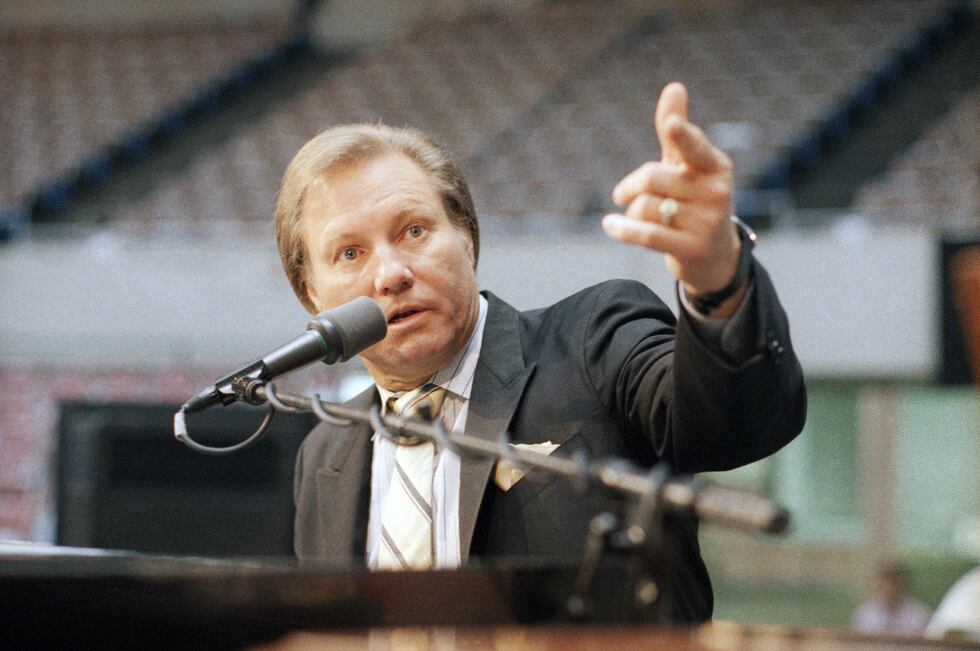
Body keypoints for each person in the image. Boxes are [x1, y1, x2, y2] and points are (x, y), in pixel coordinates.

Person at [276, 82, 806, 622]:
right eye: (349, 253)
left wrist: (717, 275)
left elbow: (737, 420)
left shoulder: (592, 340)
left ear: (466, 235)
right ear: (310, 293)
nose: (391, 274)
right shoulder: (324, 455)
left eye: (414, 230)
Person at [852, 564, 931, 636]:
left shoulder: (918, 614)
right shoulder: (866, 615)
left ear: (902, 584)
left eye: (894, 583)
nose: (890, 588)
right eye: (886, 583)